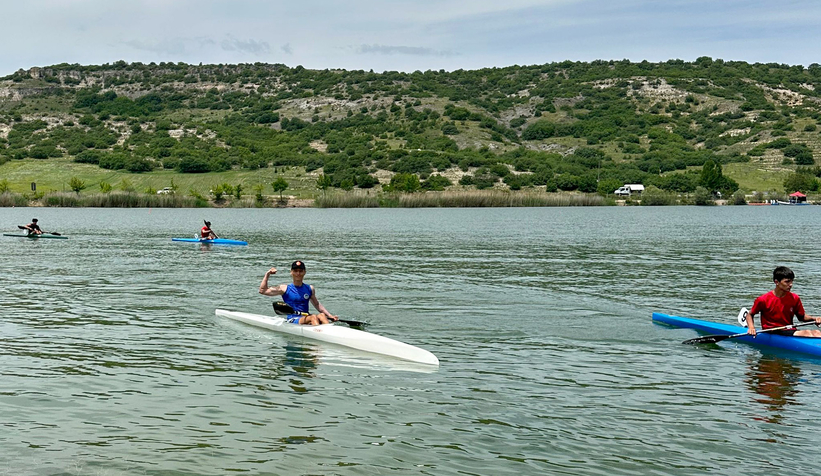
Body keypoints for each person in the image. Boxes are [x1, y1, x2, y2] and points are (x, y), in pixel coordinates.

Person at [746, 266, 821, 337]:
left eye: (791, 281)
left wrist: (814, 319)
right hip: (771, 331)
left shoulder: (795, 298)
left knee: (817, 332)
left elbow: (802, 317)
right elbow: (750, 314)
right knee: (808, 333)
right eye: (787, 282)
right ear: (777, 282)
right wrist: (751, 328)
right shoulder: (763, 299)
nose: (791, 284)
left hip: (788, 330)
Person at [258, 260, 337, 325]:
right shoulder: (284, 288)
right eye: (295, 271)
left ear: (304, 272)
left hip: (306, 317)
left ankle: (329, 332)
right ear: (291, 272)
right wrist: (267, 274)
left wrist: (330, 316)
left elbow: (317, 304)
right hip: (293, 319)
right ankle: (320, 334)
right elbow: (263, 290)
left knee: (322, 315)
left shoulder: (310, 288)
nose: (298, 273)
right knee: (313, 317)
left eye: (300, 271)